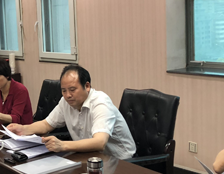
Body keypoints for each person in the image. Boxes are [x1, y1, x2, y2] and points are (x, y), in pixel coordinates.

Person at [7, 65, 136, 158]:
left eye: (72, 89)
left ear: (87, 86)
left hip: (120, 162)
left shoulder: (100, 103)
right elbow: (46, 124)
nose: (68, 95)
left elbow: (99, 142)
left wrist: (62, 145)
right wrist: (23, 129)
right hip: (89, 157)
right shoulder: (66, 101)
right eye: (64, 90)